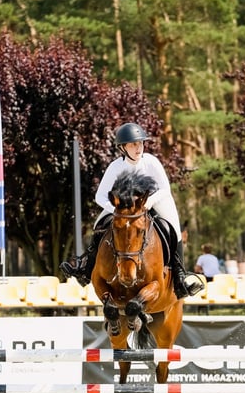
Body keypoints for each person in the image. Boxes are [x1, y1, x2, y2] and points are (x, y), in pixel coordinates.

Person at [60, 122, 204, 299]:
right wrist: (115, 210)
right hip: (123, 208)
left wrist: (149, 202)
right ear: (123, 147)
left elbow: (165, 189)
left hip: (154, 201)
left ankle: (181, 277)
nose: (139, 148)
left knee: (172, 228)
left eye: (141, 143)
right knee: (99, 226)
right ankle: (85, 268)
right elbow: (100, 196)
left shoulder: (151, 161)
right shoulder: (115, 167)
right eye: (134, 144)